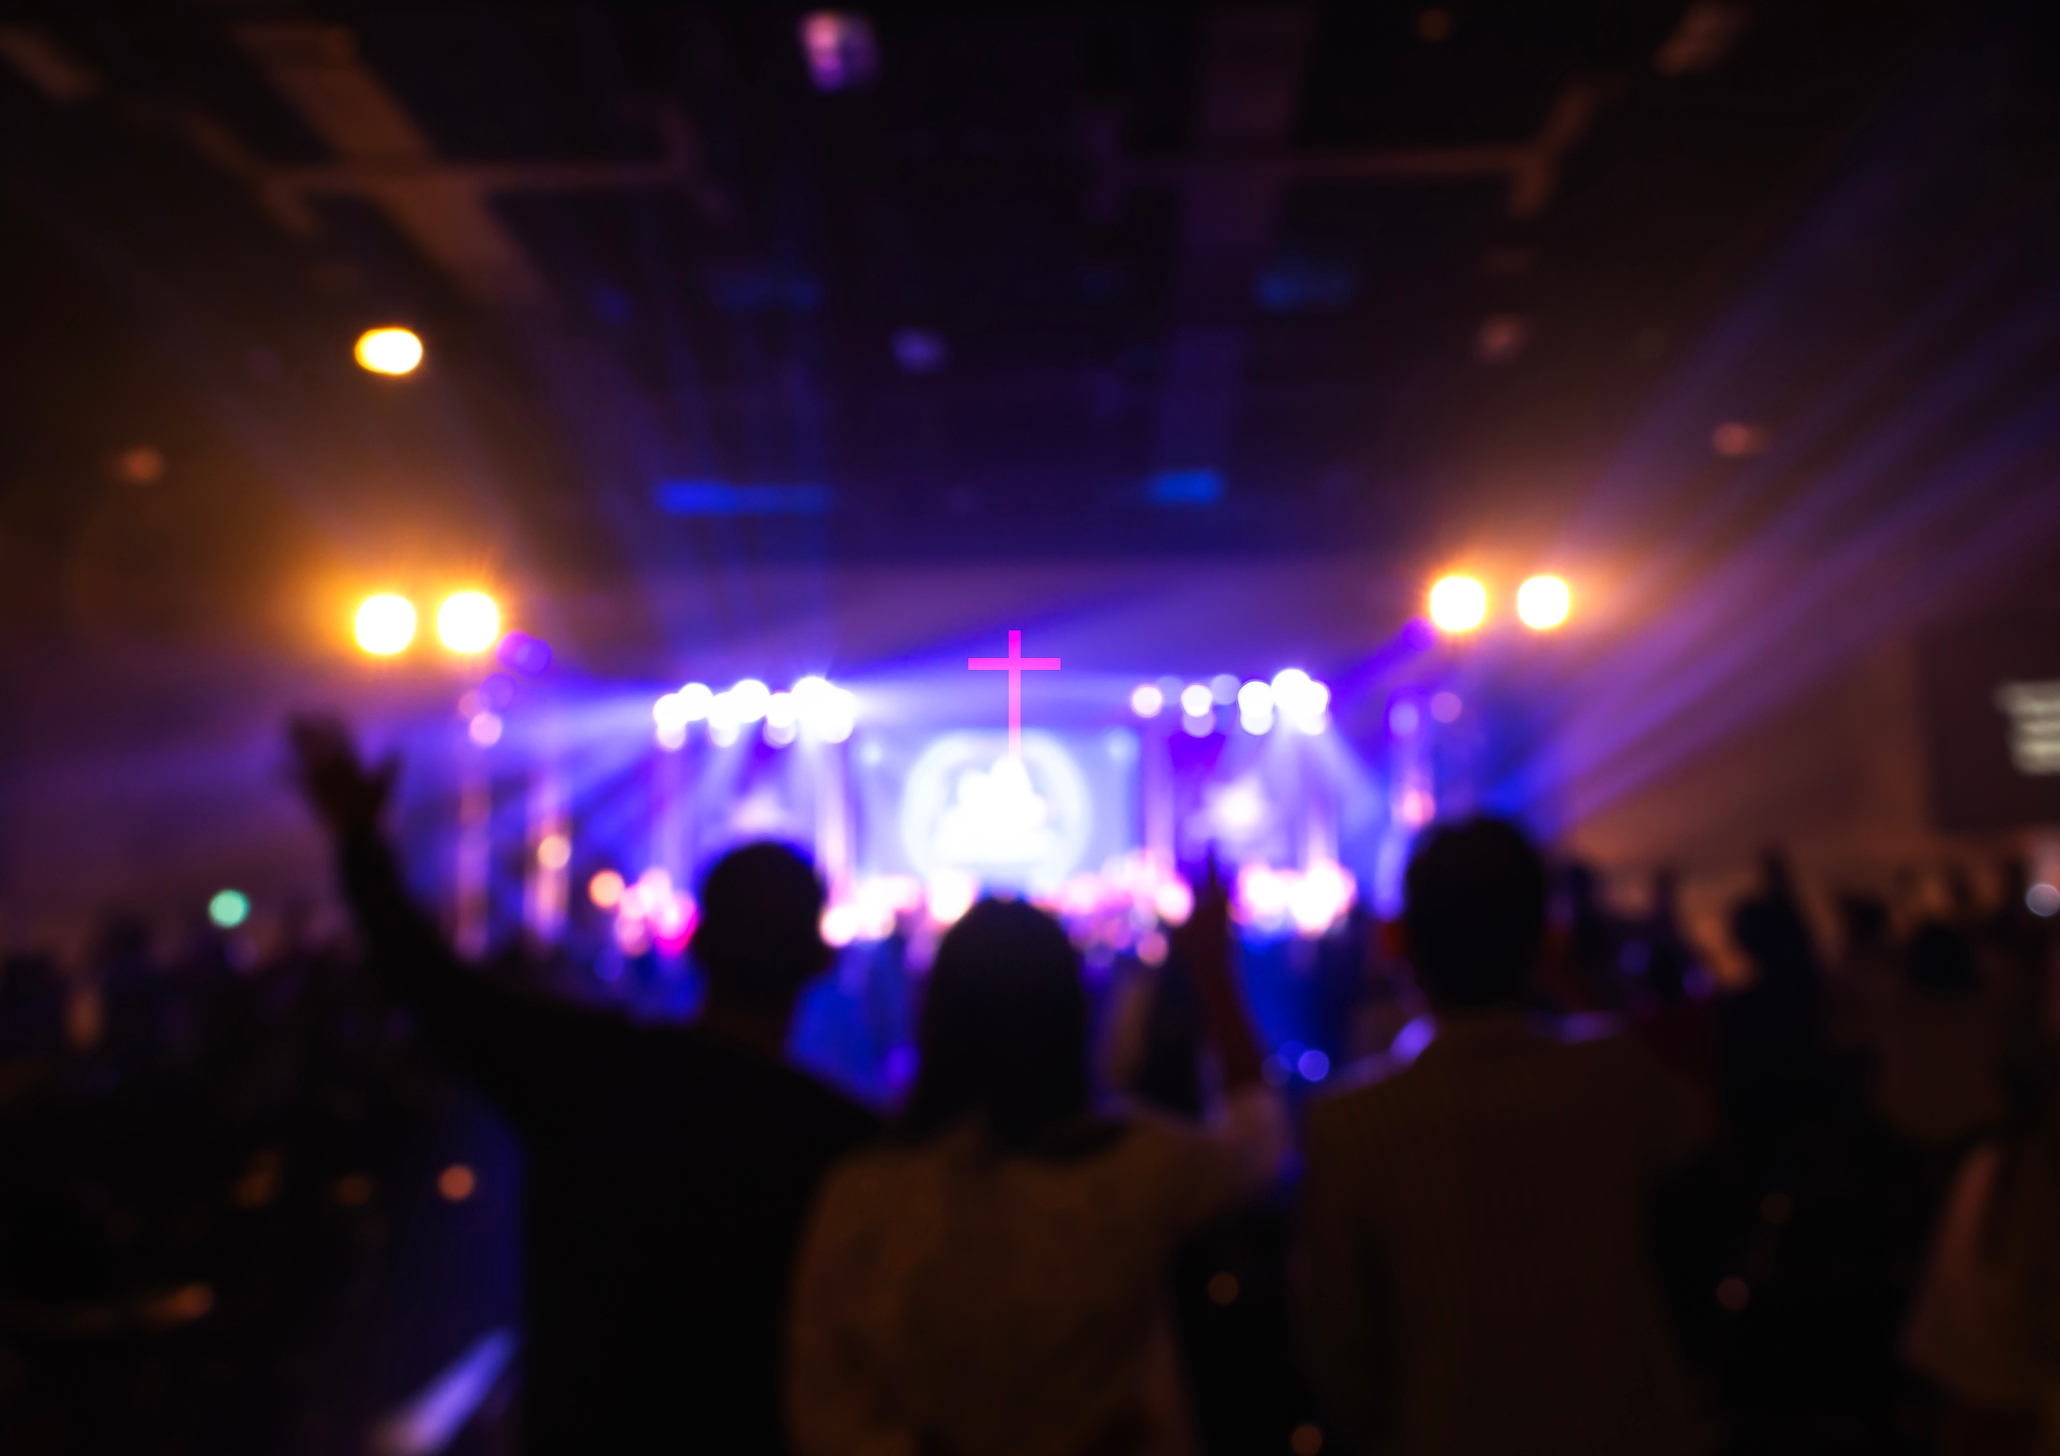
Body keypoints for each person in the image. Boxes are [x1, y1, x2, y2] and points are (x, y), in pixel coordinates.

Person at [286, 716, 878, 1456]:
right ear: (822, 963)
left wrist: (359, 839)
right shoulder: (845, 1145)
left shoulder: (592, 1074)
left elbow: (431, 984)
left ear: (693, 946)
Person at [787, 867, 1288, 1456]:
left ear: (934, 1016)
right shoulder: (1137, 1172)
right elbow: (1261, 1143)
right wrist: (1211, 969)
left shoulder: (868, 1197)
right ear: (1075, 1013)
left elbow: (823, 1410)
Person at [1300, 817, 1711, 1456]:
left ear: (1396, 942)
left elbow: (1343, 1365)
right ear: (1548, 938)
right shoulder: (1619, 1076)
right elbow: (1701, 1167)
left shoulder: (1349, 1129)